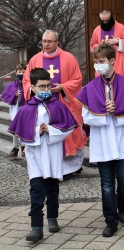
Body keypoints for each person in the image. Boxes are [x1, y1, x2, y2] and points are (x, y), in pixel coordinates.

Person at [75, 44, 124, 237]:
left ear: (112, 61)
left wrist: (118, 110)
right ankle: (110, 220)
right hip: (103, 142)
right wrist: (103, 112)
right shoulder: (90, 88)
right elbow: (86, 117)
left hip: (122, 140)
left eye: (102, 62)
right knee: (106, 184)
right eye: (96, 62)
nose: (98, 65)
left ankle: (121, 203)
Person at [8, 68, 78, 241]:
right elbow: (21, 134)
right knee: (37, 189)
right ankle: (36, 227)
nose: (46, 90)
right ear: (33, 88)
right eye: (42, 87)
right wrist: (36, 133)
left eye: (48, 86)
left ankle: (52, 217)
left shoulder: (57, 105)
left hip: (53, 151)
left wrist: (52, 130)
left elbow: (67, 128)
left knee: (52, 187)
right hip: (35, 153)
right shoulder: (26, 109)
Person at [22, 30, 86, 177]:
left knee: (66, 132)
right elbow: (26, 82)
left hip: (63, 103)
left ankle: (69, 168)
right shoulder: (35, 60)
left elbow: (77, 80)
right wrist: (35, 91)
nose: (46, 44)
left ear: (57, 42)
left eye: (49, 41)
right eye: (44, 41)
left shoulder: (69, 58)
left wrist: (63, 87)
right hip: (41, 106)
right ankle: (43, 167)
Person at [90, 10, 124, 82]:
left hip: (118, 63)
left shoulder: (121, 28)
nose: (105, 23)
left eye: (107, 20)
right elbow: (92, 45)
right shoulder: (97, 30)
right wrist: (100, 45)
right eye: (103, 21)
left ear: (111, 18)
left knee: (120, 85)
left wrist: (118, 42)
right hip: (103, 64)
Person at [1, 63, 26, 157]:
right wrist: (14, 94)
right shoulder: (11, 85)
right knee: (15, 128)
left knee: (23, 127)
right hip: (15, 109)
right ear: (16, 72)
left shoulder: (29, 84)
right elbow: (5, 95)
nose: (21, 73)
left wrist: (23, 93)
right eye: (19, 71)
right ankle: (16, 147)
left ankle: (24, 146)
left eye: (24, 72)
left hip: (25, 109)